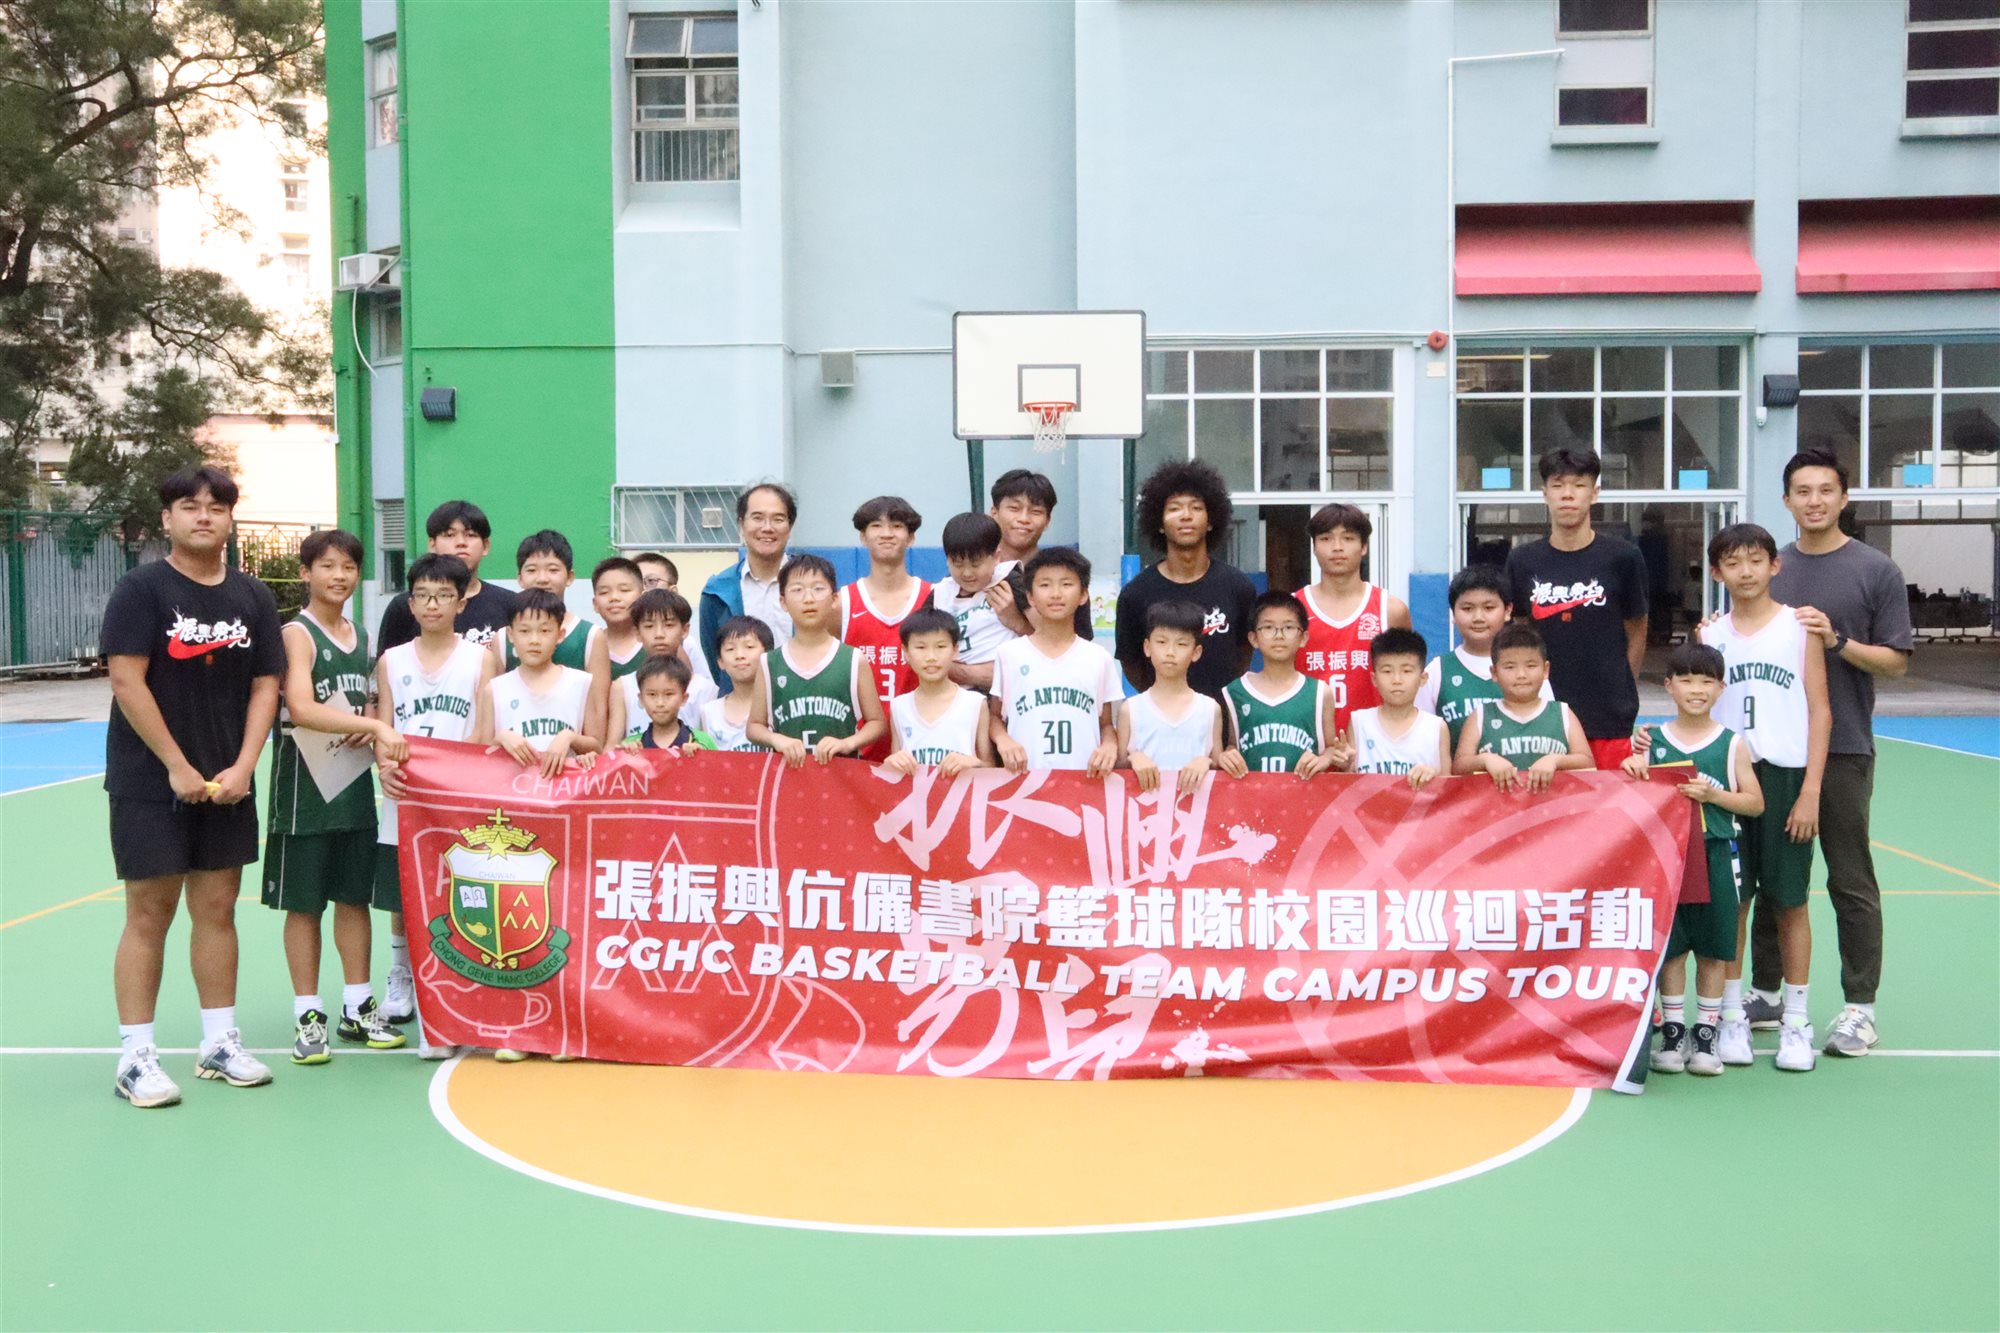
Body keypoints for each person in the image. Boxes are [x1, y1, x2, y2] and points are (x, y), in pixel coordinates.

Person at [101, 466, 284, 1106]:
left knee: (218, 910)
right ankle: (135, 1057)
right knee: (149, 914)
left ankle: (218, 1042)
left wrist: (245, 765)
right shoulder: (141, 590)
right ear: (167, 518)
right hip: (149, 782)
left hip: (227, 783)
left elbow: (266, 685)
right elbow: (126, 680)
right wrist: (176, 765)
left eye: (216, 506)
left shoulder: (253, 597)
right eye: (189, 505)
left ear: (230, 519)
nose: (203, 515)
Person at [1757, 449, 1914, 1057]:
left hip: (1844, 746)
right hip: (1773, 751)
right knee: (1771, 876)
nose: (1814, 500)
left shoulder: (1876, 570)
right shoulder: (1770, 569)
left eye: (1825, 490)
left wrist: (1837, 640)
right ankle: (1766, 994)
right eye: (1802, 491)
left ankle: (1860, 1008)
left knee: (1849, 879)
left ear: (1844, 498)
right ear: (1787, 501)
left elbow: (1895, 663)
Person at [263, 529, 408, 1065]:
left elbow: (368, 704)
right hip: (302, 791)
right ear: (306, 573)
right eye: (327, 565)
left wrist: (368, 724)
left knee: (353, 898)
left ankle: (357, 1006)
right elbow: (301, 707)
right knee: (304, 904)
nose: (339, 575)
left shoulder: (362, 636)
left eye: (348, 566)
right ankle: (308, 1014)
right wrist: (372, 727)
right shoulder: (296, 634)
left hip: (350, 787)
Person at [1701, 521, 1831, 1072]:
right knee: (1732, 902)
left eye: (1756, 560)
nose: (1746, 571)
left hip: (1785, 779)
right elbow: (1695, 707)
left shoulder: (1799, 628)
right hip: (1729, 778)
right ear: (1717, 573)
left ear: (1775, 565)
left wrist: (1811, 791)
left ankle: (1796, 1021)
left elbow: (1820, 710)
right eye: (1733, 563)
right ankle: (1731, 1015)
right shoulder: (1710, 636)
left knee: (1790, 901)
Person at [1621, 643, 1764, 1079]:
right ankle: (1673, 1032)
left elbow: (1755, 803)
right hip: (1670, 857)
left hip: (1717, 851)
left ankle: (1705, 1033)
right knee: (1672, 947)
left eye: (1706, 681)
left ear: (1721, 688)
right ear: (1668, 686)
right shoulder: (1653, 741)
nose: (1696, 689)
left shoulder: (1731, 744)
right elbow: (1634, 790)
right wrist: (1632, 764)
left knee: (1714, 947)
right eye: (1686, 680)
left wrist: (1714, 796)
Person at [373, 553, 494, 1059]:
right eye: (422, 595)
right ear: (410, 602)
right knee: (404, 895)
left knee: (457, 896)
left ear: (462, 602)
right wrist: (385, 767)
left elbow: (485, 728)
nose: (432, 604)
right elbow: (383, 725)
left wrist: (452, 779)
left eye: (444, 595)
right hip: (406, 794)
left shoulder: (481, 658)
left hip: (457, 798)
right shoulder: (392, 660)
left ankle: (454, 1002)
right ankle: (403, 976)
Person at [474, 587, 600, 1065]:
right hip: (514, 828)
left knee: (568, 923)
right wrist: (500, 736)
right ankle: (519, 1026)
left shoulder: (581, 683)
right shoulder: (497, 689)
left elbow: (600, 745)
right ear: (509, 635)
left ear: (560, 634)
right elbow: (474, 752)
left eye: (543, 630)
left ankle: (565, 1028)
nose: (533, 639)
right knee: (519, 925)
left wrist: (571, 738)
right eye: (524, 630)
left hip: (569, 822)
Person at [1504, 448, 1649, 770]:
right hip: (1542, 714)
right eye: (1558, 485)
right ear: (1545, 494)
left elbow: (1637, 628)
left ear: (1594, 493)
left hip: (1608, 716)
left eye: (1579, 485)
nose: (1567, 495)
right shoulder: (1522, 560)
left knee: (1609, 801)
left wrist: (1623, 686)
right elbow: (1521, 633)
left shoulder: (1623, 557)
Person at [1114, 461, 1256, 702]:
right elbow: (1132, 664)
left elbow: (1244, 654)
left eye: (1196, 507)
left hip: (1223, 716)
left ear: (1210, 520)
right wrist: (1167, 702)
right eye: (1174, 508)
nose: (1186, 516)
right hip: (1160, 718)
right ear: (1159, 523)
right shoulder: (1136, 594)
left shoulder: (1239, 587)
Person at [745, 555, 887, 766]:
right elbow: (754, 726)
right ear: (783, 601)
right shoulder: (769, 663)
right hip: (788, 778)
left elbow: (877, 723)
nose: (808, 598)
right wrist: (776, 739)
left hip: (841, 777)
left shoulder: (853, 659)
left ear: (835, 598)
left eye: (818, 589)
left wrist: (848, 743)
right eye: (797, 590)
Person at [991, 547, 1120, 775]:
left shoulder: (1098, 658)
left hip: (1083, 781)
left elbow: (1106, 725)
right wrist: (1003, 740)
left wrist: (1109, 745)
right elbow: (994, 717)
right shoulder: (1009, 655)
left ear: (1083, 595)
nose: (1056, 594)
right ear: (1030, 596)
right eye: (1045, 585)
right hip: (1024, 782)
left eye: (1066, 584)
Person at [1295, 502, 1412, 733]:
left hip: (1375, 743)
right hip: (1307, 742)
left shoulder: (1391, 610)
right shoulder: (1292, 610)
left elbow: (1408, 679)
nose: (1337, 547)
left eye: (1348, 538)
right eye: (1326, 539)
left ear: (1364, 546)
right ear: (1314, 547)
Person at [1415, 565, 1552, 754]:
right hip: (1457, 773)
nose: (1478, 617)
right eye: (1467, 608)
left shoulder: (1528, 667)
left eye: (1488, 608)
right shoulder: (1437, 671)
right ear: (1453, 613)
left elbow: (1551, 728)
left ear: (1508, 610)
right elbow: (1420, 737)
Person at [494, 529, 610, 744]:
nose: (542, 579)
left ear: (570, 577)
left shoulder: (590, 636)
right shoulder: (502, 638)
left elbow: (599, 712)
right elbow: (492, 712)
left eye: (553, 569)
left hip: (571, 759)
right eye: (532, 570)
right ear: (519, 578)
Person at [841, 496, 931, 760]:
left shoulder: (933, 596)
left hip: (919, 749)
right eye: (876, 526)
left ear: (911, 537)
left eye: (897, 526)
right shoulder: (842, 602)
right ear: (863, 537)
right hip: (858, 750)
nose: (887, 534)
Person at [1218, 591, 1345, 779]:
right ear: (1253, 638)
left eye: (1289, 627)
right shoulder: (1235, 691)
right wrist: (1228, 755)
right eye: (1268, 627)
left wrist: (1324, 759)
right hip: (1251, 794)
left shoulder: (1319, 692)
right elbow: (1233, 744)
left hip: (1305, 795)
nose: (1279, 635)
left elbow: (1331, 748)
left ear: (1303, 638)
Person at [1453, 623, 1594, 791]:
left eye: (1531, 666)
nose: (1521, 675)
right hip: (1496, 806)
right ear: (1494, 673)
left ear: (1545, 670)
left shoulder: (1562, 713)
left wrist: (1555, 760)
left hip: (1553, 805)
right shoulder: (1482, 715)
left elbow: (1587, 762)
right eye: (1510, 667)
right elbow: (1458, 766)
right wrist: (1485, 760)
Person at [375, 500, 517, 651]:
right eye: (449, 535)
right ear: (432, 544)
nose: (461, 542)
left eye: (471, 535)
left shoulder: (510, 604)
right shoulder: (405, 606)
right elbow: (387, 662)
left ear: (486, 546)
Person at [1117, 601, 1223, 795]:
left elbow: (1218, 765)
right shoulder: (1131, 709)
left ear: (1196, 652)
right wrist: (1134, 759)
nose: (1170, 652)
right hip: (1143, 810)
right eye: (1161, 642)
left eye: (1181, 644)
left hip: (1195, 810)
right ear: (1147, 647)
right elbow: (1119, 767)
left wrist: (1206, 762)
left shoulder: (1209, 709)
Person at [699, 482, 796, 686]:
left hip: (801, 699)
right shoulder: (716, 592)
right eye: (757, 518)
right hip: (742, 700)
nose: (767, 528)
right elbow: (715, 662)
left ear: (790, 527)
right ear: (741, 524)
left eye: (778, 519)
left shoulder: (813, 587)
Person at [884, 607, 994, 775]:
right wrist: (890, 763)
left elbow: (991, 769)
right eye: (921, 647)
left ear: (955, 650)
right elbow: (895, 768)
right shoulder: (899, 706)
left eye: (940, 646)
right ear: (906, 652)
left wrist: (975, 763)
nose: (931, 657)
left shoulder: (975, 703)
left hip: (962, 792)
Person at [990, 468, 1092, 639]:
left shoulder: (1066, 575)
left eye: (1036, 512)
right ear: (994, 512)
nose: (1024, 519)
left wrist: (1018, 623)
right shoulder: (973, 573)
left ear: (1047, 521)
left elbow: (1079, 646)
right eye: (1014, 508)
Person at [609, 589, 716, 745]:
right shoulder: (623, 687)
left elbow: (710, 747)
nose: (659, 634)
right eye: (649, 626)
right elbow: (612, 745)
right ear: (637, 633)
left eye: (669, 625)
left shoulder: (705, 689)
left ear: (685, 630)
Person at [1345, 627, 1448, 789]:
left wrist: (1434, 774)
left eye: (1407, 671)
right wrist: (1344, 765)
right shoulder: (1359, 722)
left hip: (1421, 806)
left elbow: (1449, 788)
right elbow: (1346, 785)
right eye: (1387, 671)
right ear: (1374, 679)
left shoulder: (1436, 727)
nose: (1397, 680)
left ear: (1423, 678)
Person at [930, 512, 1021, 693]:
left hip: (1005, 691)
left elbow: (1046, 635)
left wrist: (1016, 621)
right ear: (947, 559)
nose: (967, 573)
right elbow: (917, 639)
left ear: (996, 557)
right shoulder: (940, 592)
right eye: (958, 564)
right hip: (954, 692)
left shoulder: (1010, 580)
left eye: (976, 564)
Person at [700, 615, 774, 752]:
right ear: (720, 661)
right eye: (730, 649)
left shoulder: (778, 706)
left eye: (749, 647)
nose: (739, 655)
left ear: (768, 655)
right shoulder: (709, 713)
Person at [619, 655, 716, 753]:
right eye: (652, 694)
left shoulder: (703, 742)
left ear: (683, 698)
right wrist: (626, 756)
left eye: (669, 694)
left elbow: (718, 762)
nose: (660, 703)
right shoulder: (632, 745)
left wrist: (701, 756)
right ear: (641, 699)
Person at [593, 556, 648, 681]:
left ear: (643, 597)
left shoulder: (656, 642)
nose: (614, 598)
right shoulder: (588, 644)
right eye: (604, 592)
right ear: (595, 604)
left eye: (624, 590)